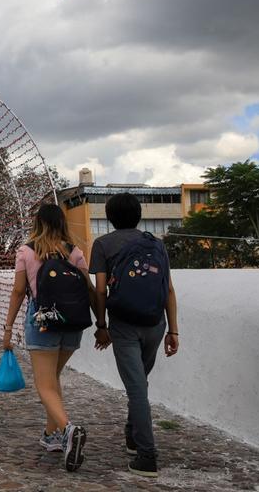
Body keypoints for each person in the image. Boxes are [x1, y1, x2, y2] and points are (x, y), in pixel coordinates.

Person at [89, 192, 179, 478]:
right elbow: (168, 289)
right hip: (156, 322)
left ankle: (147, 455)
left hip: (124, 324)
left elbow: (101, 290)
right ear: (139, 215)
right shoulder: (155, 244)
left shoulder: (103, 244)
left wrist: (101, 325)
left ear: (110, 217)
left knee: (136, 388)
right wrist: (173, 328)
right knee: (140, 383)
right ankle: (131, 433)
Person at [3, 204, 90, 472]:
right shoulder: (74, 251)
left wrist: (7, 330)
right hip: (73, 324)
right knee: (52, 381)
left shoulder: (27, 251)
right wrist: (102, 324)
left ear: (38, 223)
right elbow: (88, 287)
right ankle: (51, 436)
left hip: (42, 322)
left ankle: (68, 430)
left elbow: (19, 292)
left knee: (44, 385)